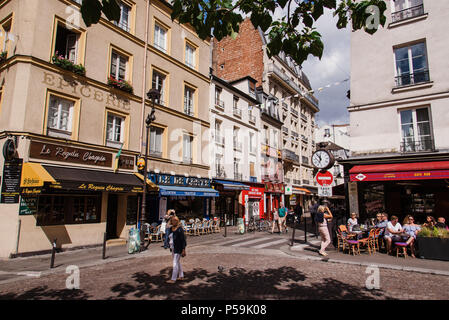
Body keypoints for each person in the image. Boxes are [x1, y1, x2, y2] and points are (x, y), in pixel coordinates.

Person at [166, 216, 187, 284]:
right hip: (172, 248)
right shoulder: (170, 229)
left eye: (175, 220)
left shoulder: (180, 229)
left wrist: (183, 249)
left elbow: (183, 240)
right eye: (173, 220)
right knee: (177, 262)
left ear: (178, 221)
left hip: (178, 248)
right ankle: (181, 275)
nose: (174, 221)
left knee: (175, 262)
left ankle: (173, 279)